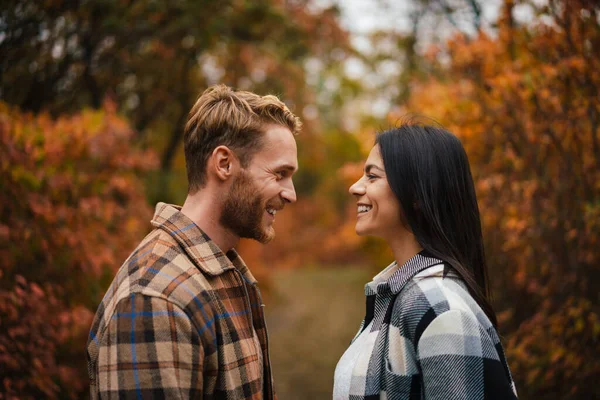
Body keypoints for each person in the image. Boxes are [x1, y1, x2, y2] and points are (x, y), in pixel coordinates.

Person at [87, 84, 301, 399]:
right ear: (224, 164)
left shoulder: (222, 271)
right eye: (279, 173)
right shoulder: (156, 299)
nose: (291, 193)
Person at [333, 122, 518, 399]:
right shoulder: (402, 294)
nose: (354, 187)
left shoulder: (438, 306)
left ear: (417, 194)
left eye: (372, 177)